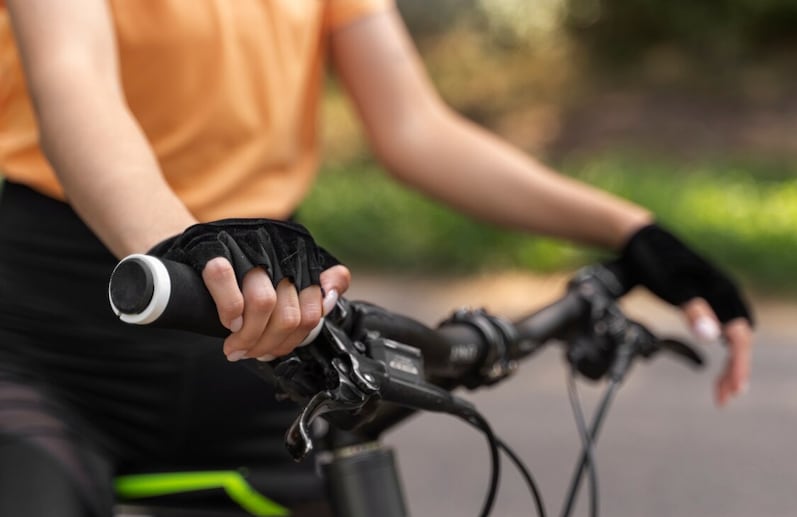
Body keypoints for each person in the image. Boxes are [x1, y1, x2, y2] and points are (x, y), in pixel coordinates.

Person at [0, 1, 753, 516]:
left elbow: (414, 125)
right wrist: (181, 245)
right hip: (63, 327)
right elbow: (76, 81)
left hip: (263, 326)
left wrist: (632, 231)